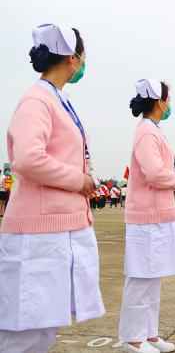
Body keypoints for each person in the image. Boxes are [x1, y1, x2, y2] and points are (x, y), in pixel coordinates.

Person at [0, 23, 105, 353]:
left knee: (44, 328)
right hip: (38, 234)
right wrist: (80, 181)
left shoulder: (57, 98)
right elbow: (28, 159)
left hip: (57, 232)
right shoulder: (37, 101)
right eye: (83, 56)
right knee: (26, 332)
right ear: (72, 59)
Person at [118, 79, 175, 353]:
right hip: (146, 216)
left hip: (159, 215)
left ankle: (150, 333)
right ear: (159, 101)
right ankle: (132, 338)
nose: (169, 104)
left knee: (153, 277)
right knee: (141, 277)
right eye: (167, 99)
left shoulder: (154, 130)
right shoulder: (146, 132)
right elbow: (154, 173)